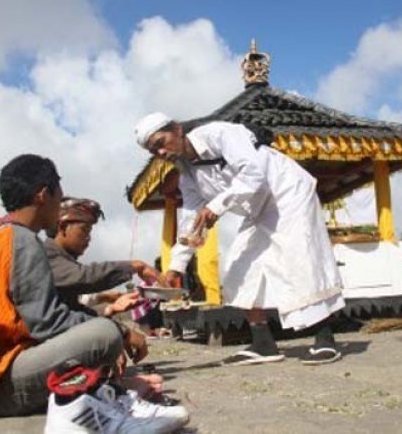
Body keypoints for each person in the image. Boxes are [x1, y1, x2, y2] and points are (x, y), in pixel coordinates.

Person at [0, 154, 189, 432]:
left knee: (99, 333)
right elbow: (48, 323)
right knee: (104, 335)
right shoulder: (21, 240)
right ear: (45, 195)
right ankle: (91, 411)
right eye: (59, 196)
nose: (59, 206)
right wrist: (121, 332)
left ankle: (105, 394)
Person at [135, 113, 346, 366]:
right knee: (238, 269)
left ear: (177, 130)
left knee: (299, 261)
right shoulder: (187, 176)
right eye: (153, 150)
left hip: (288, 195)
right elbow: (192, 221)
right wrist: (175, 268)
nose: (161, 151)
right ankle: (263, 343)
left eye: (161, 141)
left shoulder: (220, 134)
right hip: (257, 210)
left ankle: (325, 338)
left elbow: (253, 175)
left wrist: (216, 206)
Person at [44, 196, 166, 398]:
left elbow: (72, 312)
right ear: (63, 226)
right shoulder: (46, 255)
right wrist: (134, 266)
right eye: (84, 230)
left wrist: (111, 314)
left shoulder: (62, 260)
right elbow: (85, 276)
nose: (89, 238)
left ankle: (109, 382)